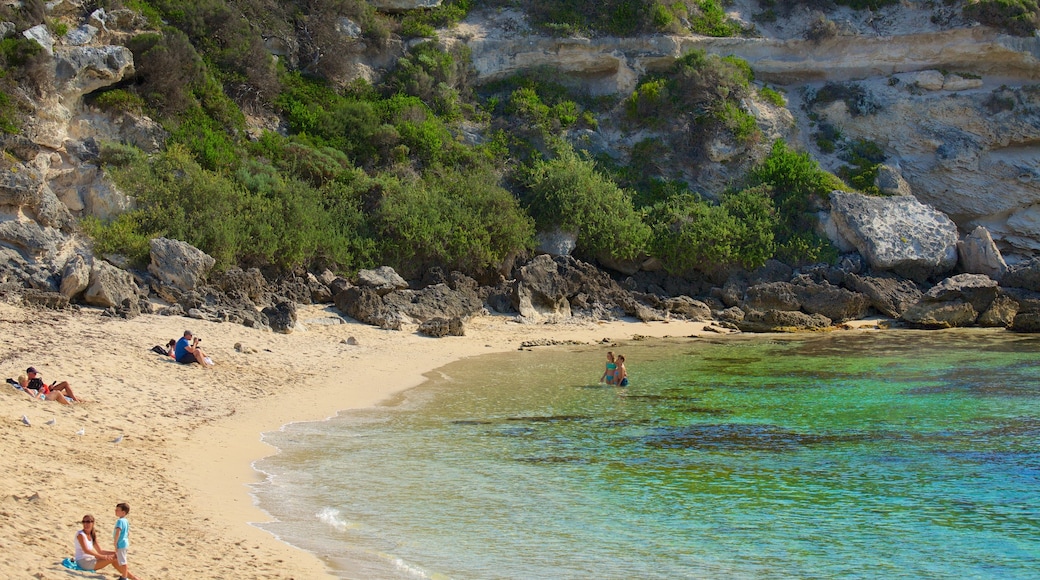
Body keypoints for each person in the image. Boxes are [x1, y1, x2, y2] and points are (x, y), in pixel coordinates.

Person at [112, 502, 139, 580]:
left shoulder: (120, 521)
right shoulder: (125, 521)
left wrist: (115, 542)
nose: (115, 511)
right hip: (125, 543)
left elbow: (118, 532)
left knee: (123, 562)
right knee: (122, 560)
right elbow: (128, 533)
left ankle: (124, 577)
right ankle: (124, 575)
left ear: (123, 512)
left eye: (117, 510)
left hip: (121, 544)